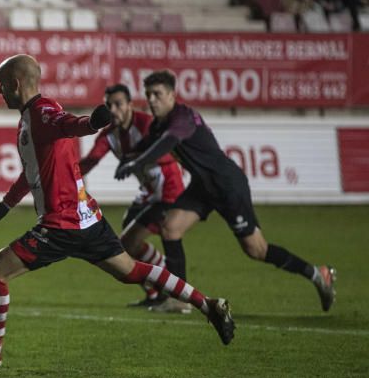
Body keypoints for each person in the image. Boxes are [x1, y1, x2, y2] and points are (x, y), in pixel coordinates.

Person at [0, 55, 235, 369]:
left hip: (61, 224)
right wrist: (3, 207)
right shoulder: (34, 115)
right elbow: (32, 170)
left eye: (1, 84)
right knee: (131, 270)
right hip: (88, 219)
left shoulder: (42, 113)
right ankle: (207, 304)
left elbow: (70, 125)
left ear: (15, 84)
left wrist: (93, 122)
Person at [115, 70, 336, 312]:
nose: (152, 100)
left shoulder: (184, 117)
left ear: (172, 95)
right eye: (148, 95)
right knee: (170, 228)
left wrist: (137, 163)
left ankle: (317, 274)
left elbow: (166, 143)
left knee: (256, 249)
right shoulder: (159, 125)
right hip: (202, 187)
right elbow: (147, 144)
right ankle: (178, 299)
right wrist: (129, 158)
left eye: (157, 94)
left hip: (227, 184)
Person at [78, 84, 188, 313]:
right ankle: (155, 292)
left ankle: (166, 287)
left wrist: (135, 159)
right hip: (149, 193)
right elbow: (91, 160)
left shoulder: (146, 124)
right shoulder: (109, 135)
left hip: (169, 190)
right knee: (129, 238)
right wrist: (65, 176)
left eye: (118, 104)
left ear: (130, 105)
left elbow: (169, 151)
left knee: (127, 243)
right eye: (108, 105)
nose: (113, 109)